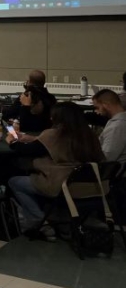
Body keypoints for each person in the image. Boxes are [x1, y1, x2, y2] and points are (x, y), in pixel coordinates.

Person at [7, 102, 105, 240]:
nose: (51, 119)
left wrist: (11, 141)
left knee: (15, 182)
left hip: (64, 186)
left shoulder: (54, 134)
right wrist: (36, 139)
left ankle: (40, 222)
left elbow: (25, 150)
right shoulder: (89, 135)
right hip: (92, 187)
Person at [92, 89, 126, 163]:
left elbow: (106, 159)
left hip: (113, 172)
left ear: (106, 104)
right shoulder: (116, 122)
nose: (96, 112)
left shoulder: (117, 127)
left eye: (98, 108)